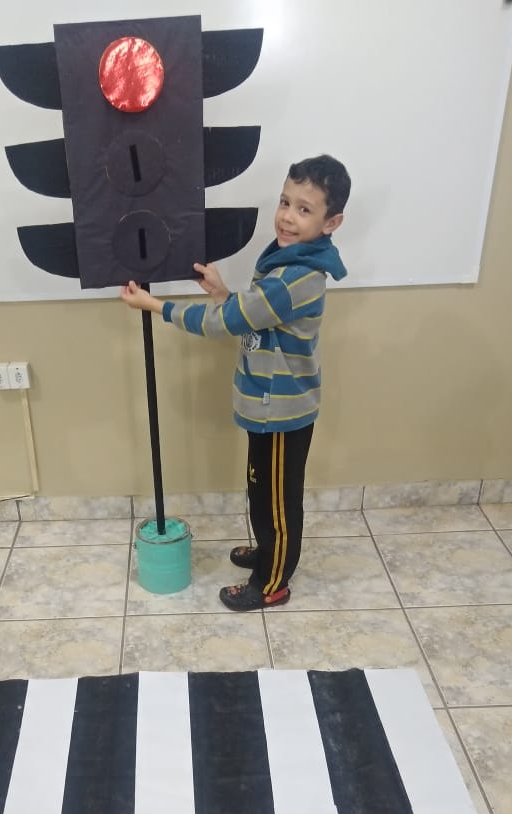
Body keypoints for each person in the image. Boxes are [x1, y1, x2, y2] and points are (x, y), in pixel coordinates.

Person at [120, 154, 351, 611]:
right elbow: (256, 316)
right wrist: (224, 293)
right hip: (267, 407)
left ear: (331, 222)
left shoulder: (299, 276)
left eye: (304, 209)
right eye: (285, 202)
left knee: (277, 505)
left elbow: (227, 322)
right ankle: (267, 553)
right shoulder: (288, 260)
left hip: (283, 413)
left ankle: (272, 584)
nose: (287, 216)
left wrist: (157, 307)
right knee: (261, 491)